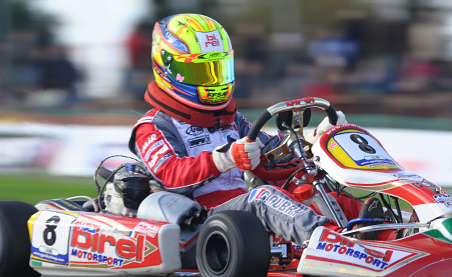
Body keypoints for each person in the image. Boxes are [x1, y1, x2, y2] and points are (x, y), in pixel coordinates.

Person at [129, 13, 360, 245]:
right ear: (169, 67)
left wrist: (311, 140)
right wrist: (223, 159)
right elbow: (170, 176)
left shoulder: (231, 119)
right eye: (202, 72)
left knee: (316, 190)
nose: (214, 81)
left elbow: (272, 153)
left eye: (218, 69)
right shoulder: (154, 127)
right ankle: (331, 243)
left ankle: (380, 231)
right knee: (263, 198)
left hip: (241, 216)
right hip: (198, 221)